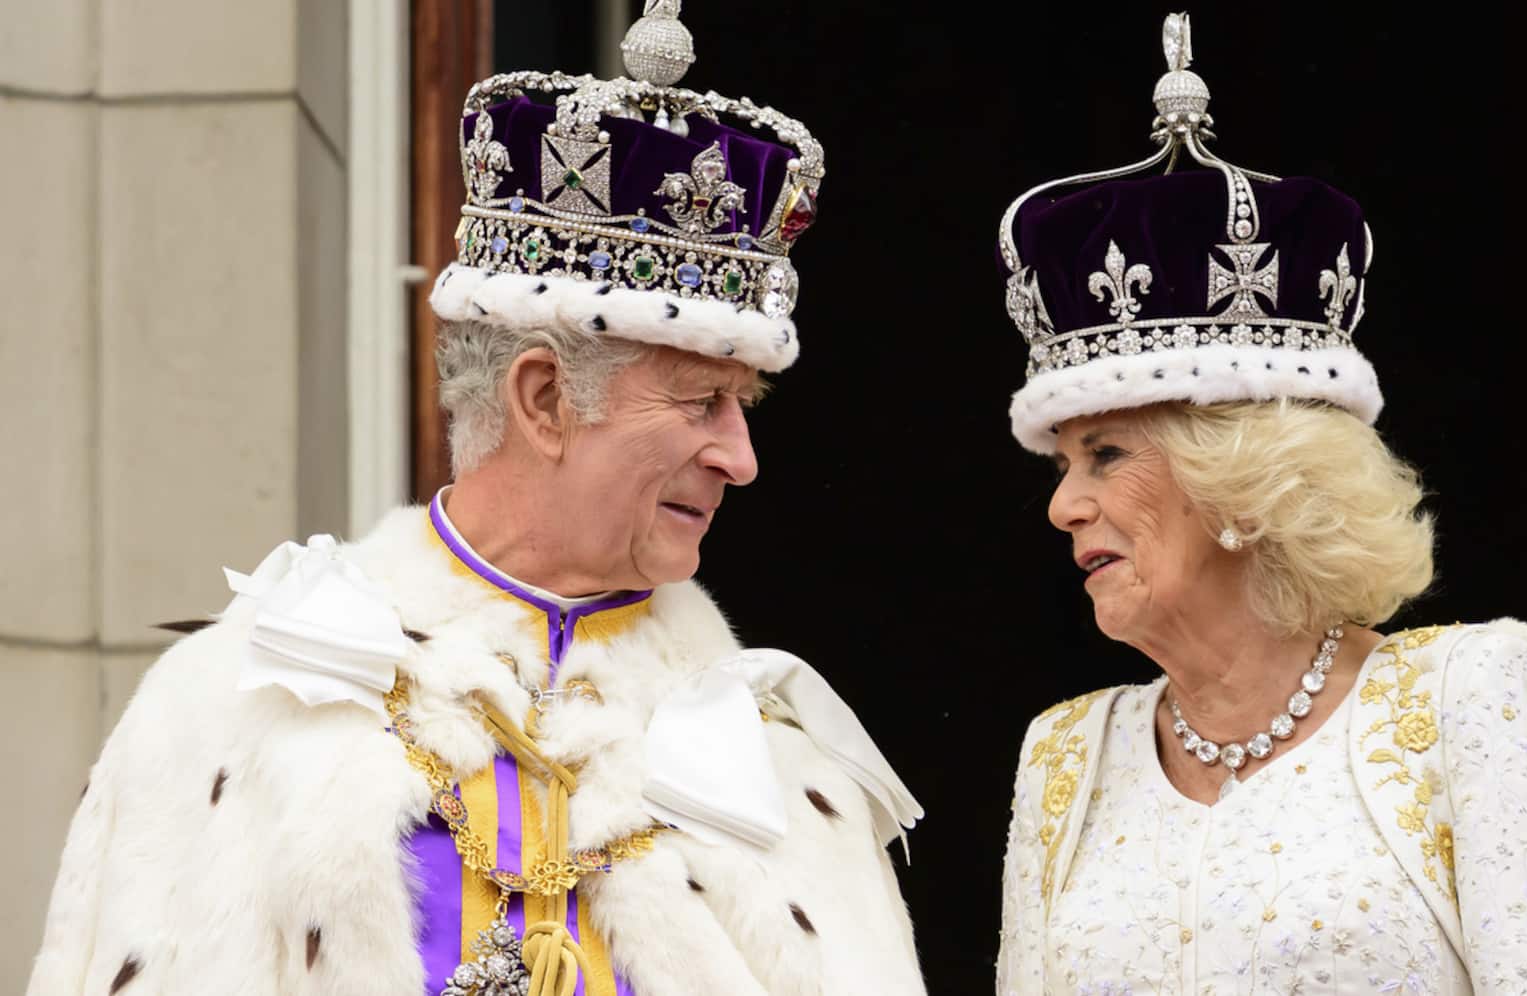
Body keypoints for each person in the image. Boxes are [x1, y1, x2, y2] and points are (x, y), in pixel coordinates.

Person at [28, 4, 924, 995]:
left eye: (741, 405)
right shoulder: (234, 701)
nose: (741, 456)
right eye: (701, 403)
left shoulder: (785, 767)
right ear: (543, 401)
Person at [992, 14, 1527, 996]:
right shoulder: (1063, 756)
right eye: (1065, 463)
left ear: (1246, 475)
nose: (1066, 504)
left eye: (1106, 455)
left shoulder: (1473, 694)